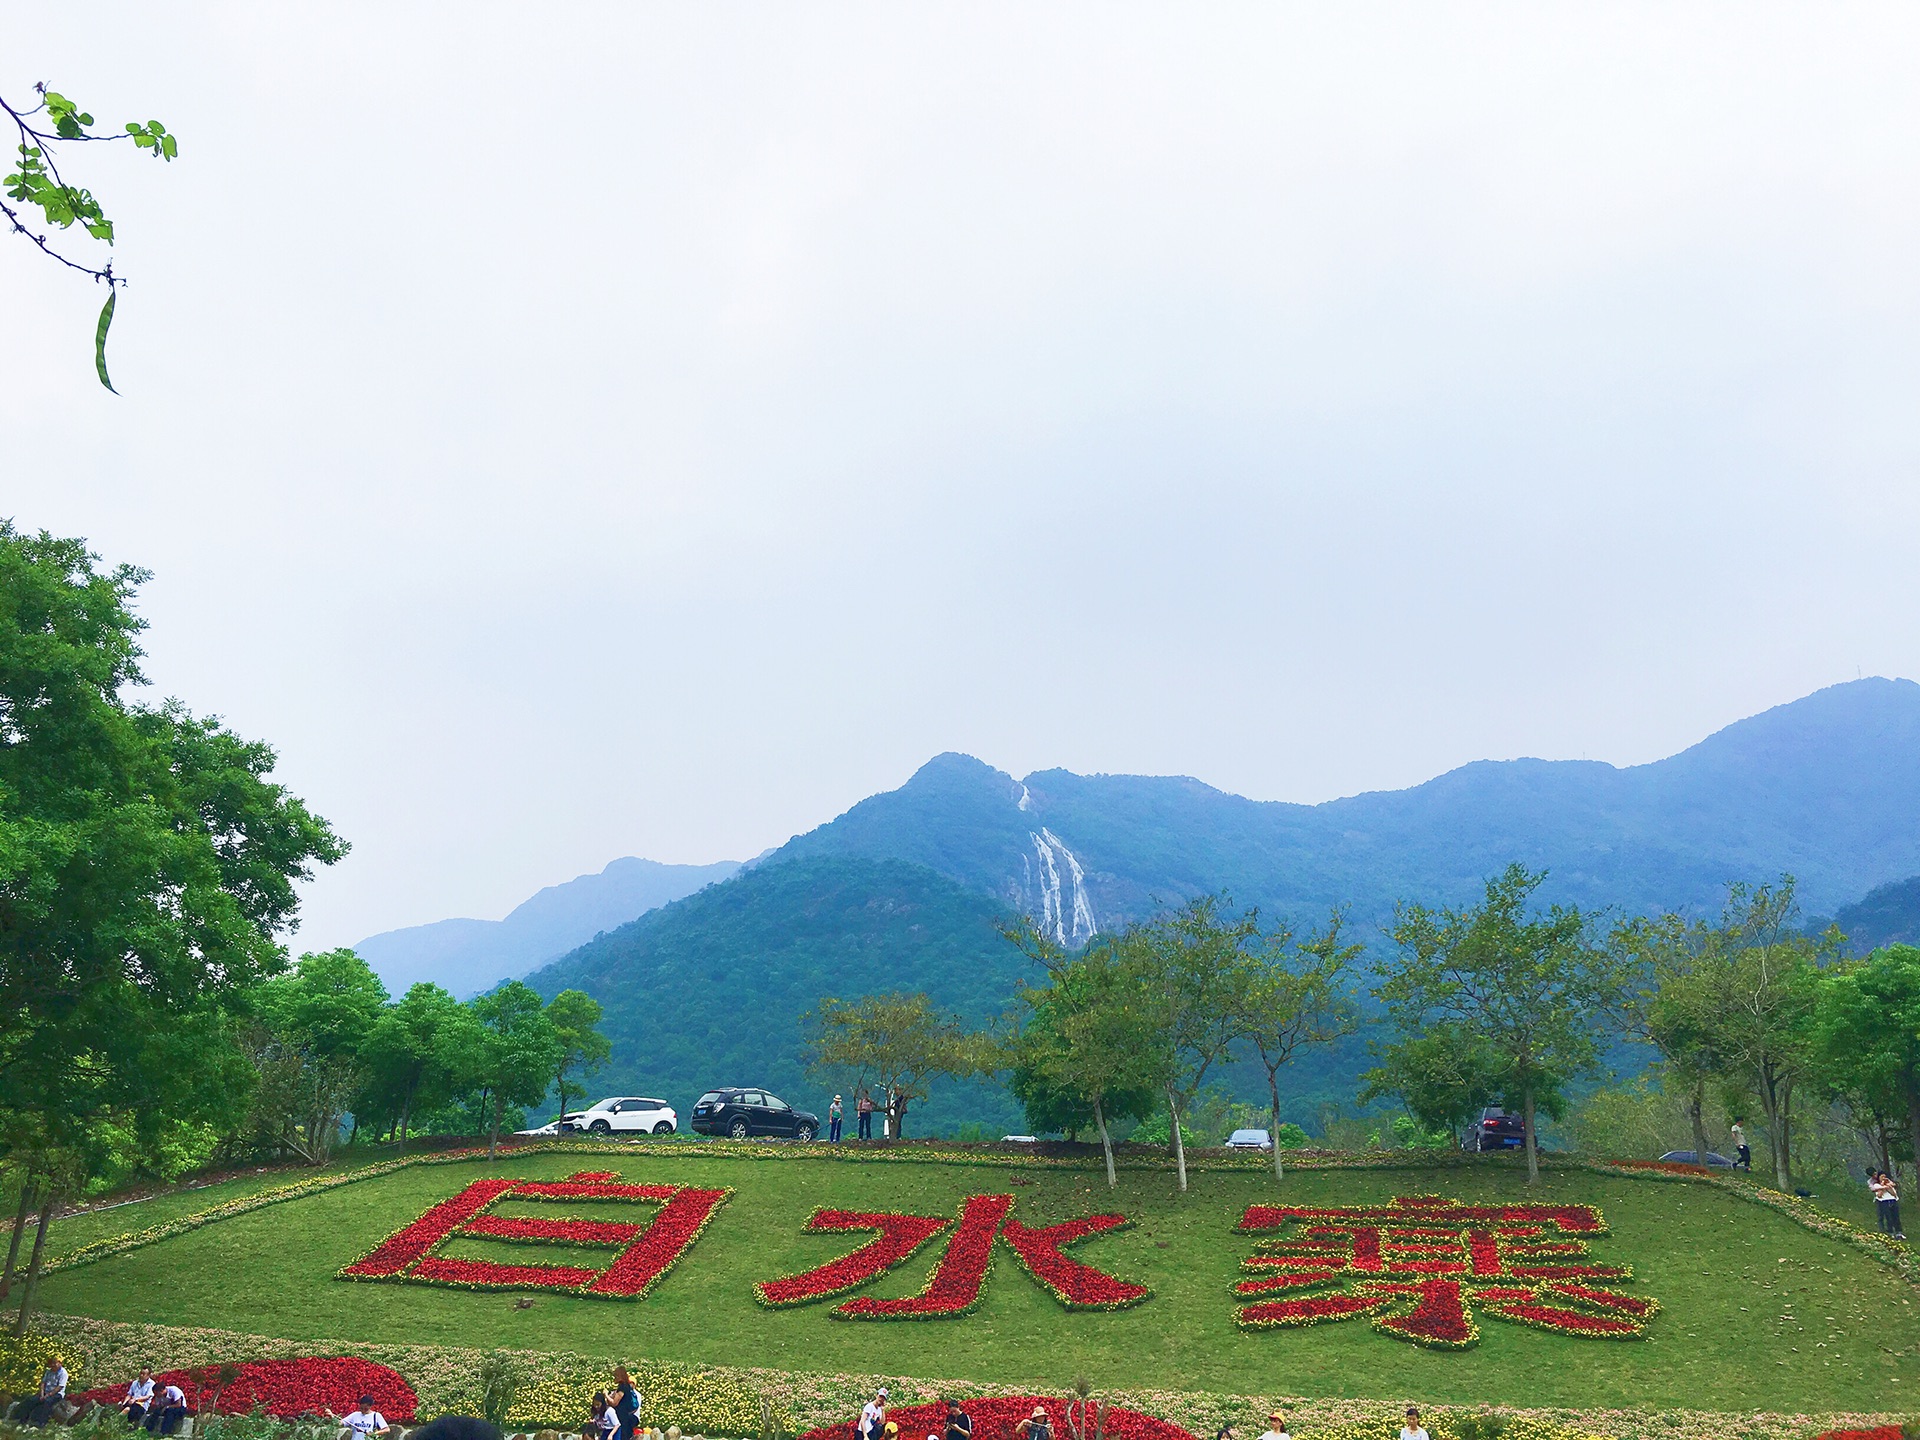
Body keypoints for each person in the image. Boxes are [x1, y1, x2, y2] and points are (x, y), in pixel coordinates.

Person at [1871, 1170, 1906, 1239]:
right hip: (1884, 1202)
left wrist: (1889, 1186)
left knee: (1896, 1217)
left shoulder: (1889, 1184)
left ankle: (1899, 1232)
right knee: (1888, 1217)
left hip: (1893, 1200)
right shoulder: (1876, 1185)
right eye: (1882, 1176)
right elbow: (1879, 1195)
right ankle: (1890, 1232)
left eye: (1884, 1176)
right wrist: (1883, 1186)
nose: (1883, 1178)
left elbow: (1894, 1194)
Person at [612, 1367, 642, 1440]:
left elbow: (614, 1403)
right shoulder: (628, 1389)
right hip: (628, 1416)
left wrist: (607, 1396)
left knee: (623, 1435)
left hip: (627, 1417)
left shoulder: (623, 1388)